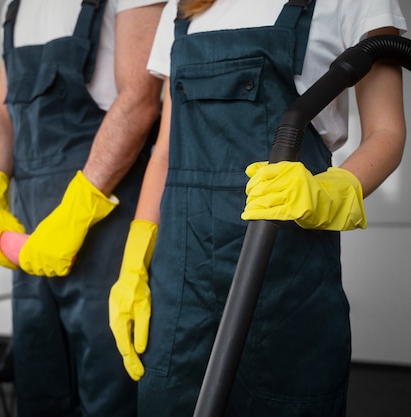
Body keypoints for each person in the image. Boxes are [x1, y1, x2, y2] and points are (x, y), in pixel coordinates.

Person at [108, 0, 407, 416]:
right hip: (181, 283)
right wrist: (134, 260)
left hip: (286, 277)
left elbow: (387, 131)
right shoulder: (184, 8)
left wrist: (331, 192)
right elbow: (164, 153)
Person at [0, 0, 165, 416]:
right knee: (39, 379)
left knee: (110, 385)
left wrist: (79, 207)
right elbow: (0, 112)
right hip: (31, 230)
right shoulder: (13, 7)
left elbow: (140, 99)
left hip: (107, 221)